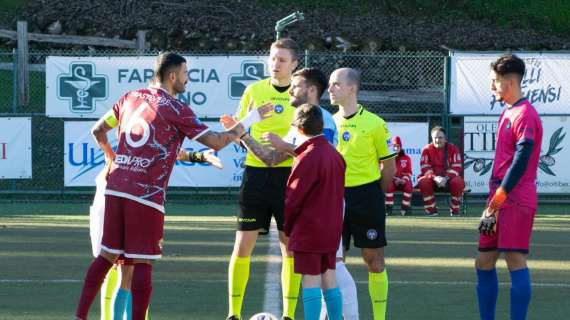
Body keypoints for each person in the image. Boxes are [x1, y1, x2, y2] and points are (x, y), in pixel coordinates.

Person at [74, 52, 264, 320]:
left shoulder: (130, 97)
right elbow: (218, 141)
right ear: (173, 76)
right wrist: (250, 120)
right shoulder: (175, 108)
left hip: (115, 186)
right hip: (145, 193)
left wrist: (112, 158)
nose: (187, 81)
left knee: (107, 257)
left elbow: (97, 130)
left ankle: (79, 316)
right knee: (142, 261)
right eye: (185, 75)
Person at [221, 67, 359, 319]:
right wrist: (245, 135)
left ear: (311, 90)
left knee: (318, 276)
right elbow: (272, 158)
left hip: (314, 217)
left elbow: (303, 172)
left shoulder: (321, 125)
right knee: (329, 272)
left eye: (295, 86)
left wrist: (292, 221)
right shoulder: (314, 132)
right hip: (328, 215)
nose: (291, 91)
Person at [225, 38, 303, 320]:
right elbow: (237, 131)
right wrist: (248, 141)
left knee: (289, 246)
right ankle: (233, 313)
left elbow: (305, 138)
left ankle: (289, 315)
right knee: (242, 245)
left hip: (290, 176)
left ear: (295, 64)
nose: (275, 64)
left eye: (282, 59)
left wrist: (279, 153)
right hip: (255, 176)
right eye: (272, 58)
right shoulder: (254, 91)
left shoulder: (300, 98)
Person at [476, 54, 543, 320]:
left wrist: (498, 199)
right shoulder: (509, 111)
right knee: (483, 261)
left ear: (510, 82)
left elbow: (521, 158)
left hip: (514, 198)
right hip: (499, 198)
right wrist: (494, 202)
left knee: (514, 260)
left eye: (495, 81)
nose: (492, 86)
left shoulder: (526, 114)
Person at [329, 67, 396, 320]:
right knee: (335, 262)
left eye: (336, 84)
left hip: (367, 196)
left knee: (374, 260)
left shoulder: (375, 123)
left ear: (352, 89)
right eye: (329, 84)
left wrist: (374, 195)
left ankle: (379, 317)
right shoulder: (328, 122)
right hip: (334, 198)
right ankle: (337, 315)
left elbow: (388, 166)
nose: (330, 89)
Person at [283, 104, 345, 320]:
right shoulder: (335, 154)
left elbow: (293, 198)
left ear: (299, 130)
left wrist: (287, 226)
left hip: (310, 228)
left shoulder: (306, 156)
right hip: (332, 228)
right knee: (329, 278)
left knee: (310, 281)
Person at [417, 126, 465, 216]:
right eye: (435, 138)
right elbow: (425, 167)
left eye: (440, 137)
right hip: (433, 180)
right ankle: (431, 210)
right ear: (432, 138)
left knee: (458, 182)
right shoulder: (426, 149)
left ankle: (455, 210)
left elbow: (457, 167)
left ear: (445, 138)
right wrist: (435, 178)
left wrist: (445, 178)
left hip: (449, 180)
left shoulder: (453, 148)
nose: (437, 140)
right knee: (422, 181)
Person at [385, 136, 413, 216]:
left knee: (409, 185)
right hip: (393, 181)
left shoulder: (407, 158)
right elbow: (386, 171)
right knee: (388, 185)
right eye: (394, 146)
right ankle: (388, 209)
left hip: (403, 181)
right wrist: (394, 179)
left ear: (401, 147)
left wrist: (404, 179)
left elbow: (409, 172)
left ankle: (405, 209)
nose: (396, 148)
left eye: (398, 146)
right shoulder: (388, 158)